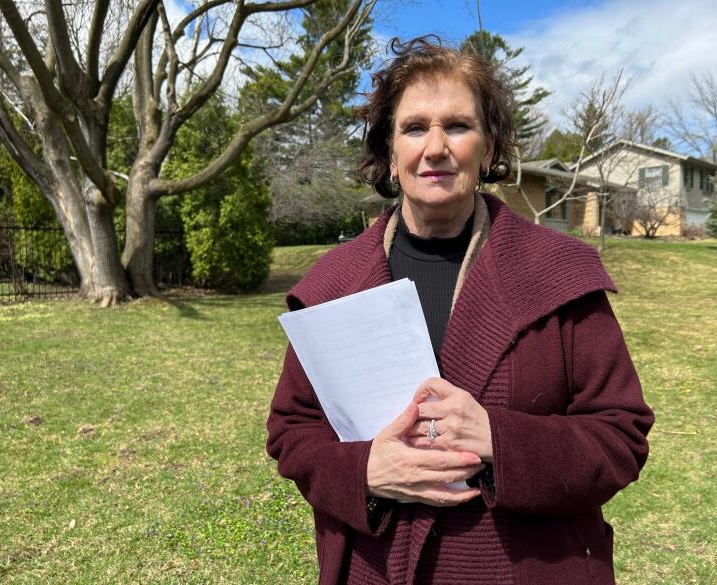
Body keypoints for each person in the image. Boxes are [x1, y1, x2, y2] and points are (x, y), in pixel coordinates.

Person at [266, 37, 653, 585]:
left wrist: (499, 439)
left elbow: (621, 436)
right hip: (379, 569)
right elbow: (292, 430)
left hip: (525, 570)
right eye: (415, 127)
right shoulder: (333, 283)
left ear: (490, 148)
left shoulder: (562, 274)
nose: (435, 147)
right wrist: (363, 471)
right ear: (389, 152)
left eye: (459, 125)